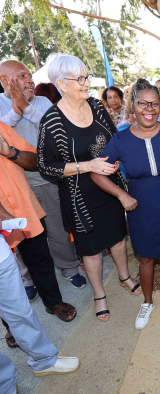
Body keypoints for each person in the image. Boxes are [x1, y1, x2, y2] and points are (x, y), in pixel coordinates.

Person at [37, 54, 141, 323]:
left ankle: (124, 276)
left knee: (118, 237)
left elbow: (114, 139)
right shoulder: (52, 121)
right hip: (78, 196)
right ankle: (99, 295)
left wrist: (114, 162)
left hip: (109, 186)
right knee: (91, 249)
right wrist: (88, 165)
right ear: (61, 82)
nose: (86, 82)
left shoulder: (96, 105)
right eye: (80, 78)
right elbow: (46, 166)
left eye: (86, 76)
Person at [92, 79, 160, 330]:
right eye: (143, 103)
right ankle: (147, 301)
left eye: (155, 104)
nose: (149, 109)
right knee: (145, 256)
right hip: (140, 204)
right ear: (133, 105)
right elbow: (96, 172)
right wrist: (121, 195)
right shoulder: (120, 139)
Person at [0, 60, 84, 296]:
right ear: (5, 80)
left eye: (29, 74)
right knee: (20, 236)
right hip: (12, 187)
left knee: (57, 229)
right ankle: (28, 280)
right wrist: (16, 109)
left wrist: (25, 108)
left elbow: (55, 129)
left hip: (45, 178)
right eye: (21, 75)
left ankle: (68, 267)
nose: (29, 79)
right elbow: (1, 133)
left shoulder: (42, 102)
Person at [0, 120, 77, 350]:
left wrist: (10, 152)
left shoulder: (1, 127)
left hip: (23, 210)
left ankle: (53, 303)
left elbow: (35, 162)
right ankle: (11, 326)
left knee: (40, 259)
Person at [0, 204, 80, 394]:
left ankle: (44, 361)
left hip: (1, 260)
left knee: (21, 312)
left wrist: (3, 214)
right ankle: (4, 386)